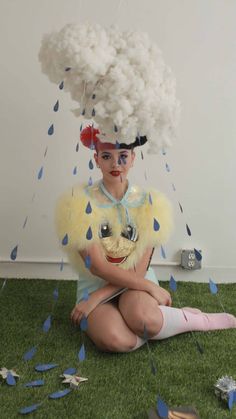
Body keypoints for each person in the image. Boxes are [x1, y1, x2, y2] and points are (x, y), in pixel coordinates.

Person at [56, 126, 236, 353]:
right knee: (117, 341)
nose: (115, 164)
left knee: (144, 320)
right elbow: (99, 267)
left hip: (136, 284)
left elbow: (138, 272)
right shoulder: (79, 204)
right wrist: (94, 298)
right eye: (106, 157)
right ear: (96, 159)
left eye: (123, 157)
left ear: (133, 158)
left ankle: (195, 320)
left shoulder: (151, 203)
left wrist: (143, 288)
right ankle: (163, 322)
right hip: (95, 287)